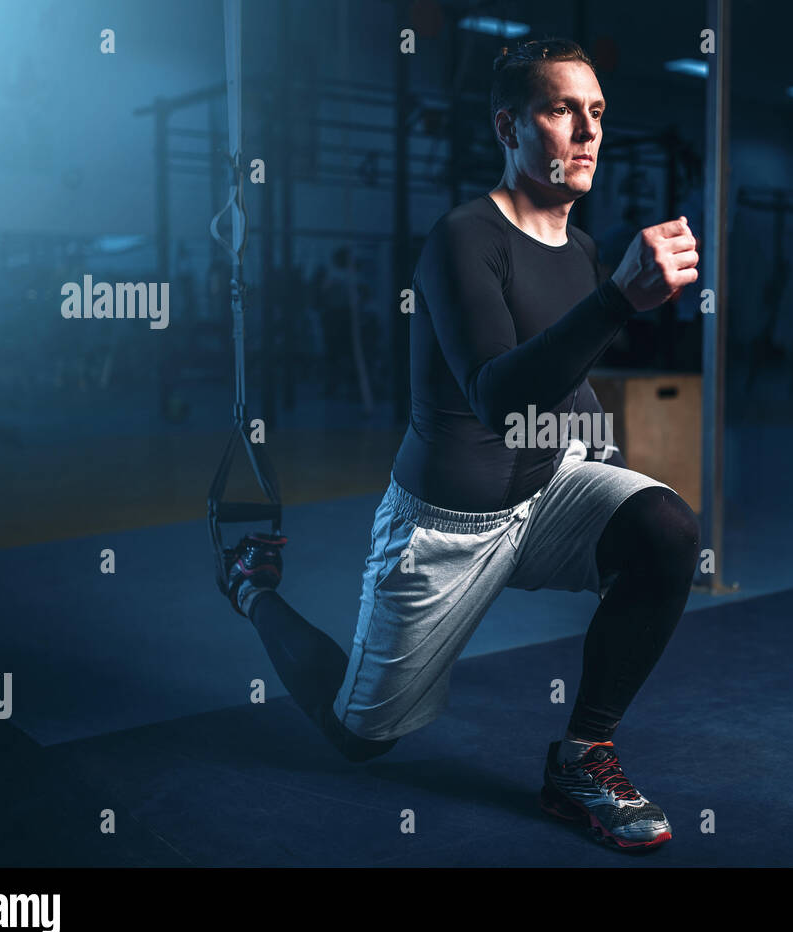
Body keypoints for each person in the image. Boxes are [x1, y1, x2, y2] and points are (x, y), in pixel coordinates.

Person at [219, 38, 700, 852]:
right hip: (449, 522)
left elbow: (563, 374)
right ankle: (251, 590)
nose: (586, 131)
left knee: (667, 529)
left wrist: (599, 443)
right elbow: (499, 393)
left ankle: (582, 756)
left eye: (596, 113)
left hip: (547, 490)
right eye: (560, 110)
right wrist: (620, 299)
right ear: (510, 127)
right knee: (362, 737)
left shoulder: (581, 249)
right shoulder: (461, 240)